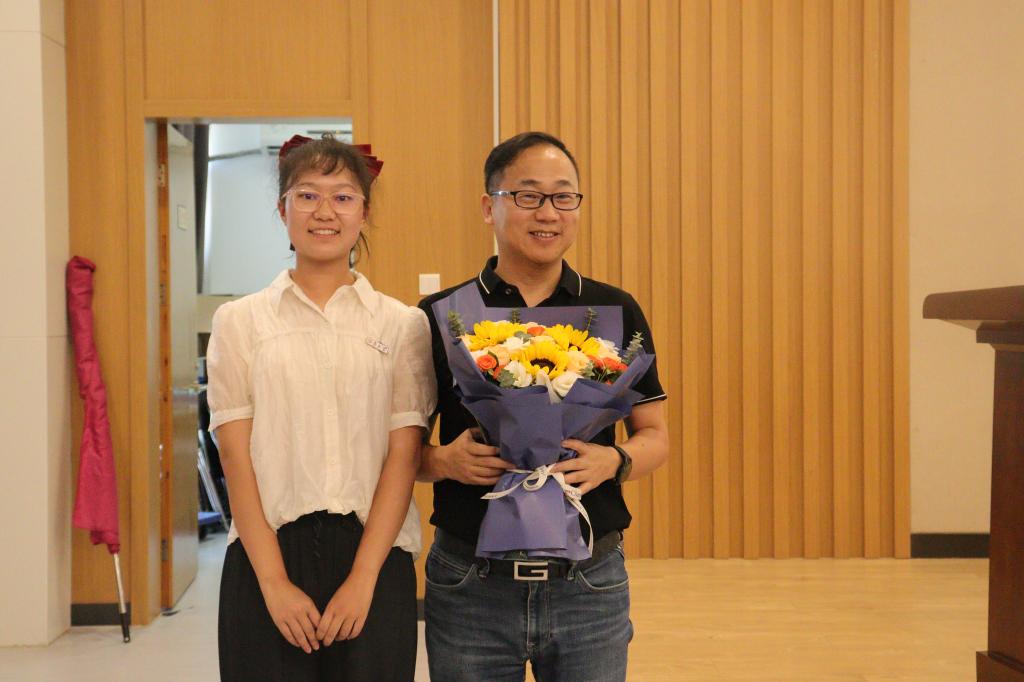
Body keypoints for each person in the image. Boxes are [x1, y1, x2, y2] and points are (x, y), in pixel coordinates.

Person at [418, 131, 671, 681]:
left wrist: (614, 461)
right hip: (470, 584)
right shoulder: (442, 314)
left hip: (589, 583)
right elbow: (402, 452)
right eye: (528, 195)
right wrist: (443, 461)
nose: (548, 213)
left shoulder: (614, 309)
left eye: (563, 196)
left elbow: (655, 436)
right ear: (489, 206)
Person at [208, 135, 435, 681]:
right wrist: (273, 584)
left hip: (374, 554)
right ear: (282, 208)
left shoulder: (402, 324)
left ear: (364, 212)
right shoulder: (239, 321)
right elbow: (235, 458)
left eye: (343, 197)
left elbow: (404, 457)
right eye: (307, 195)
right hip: (266, 552)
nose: (325, 212)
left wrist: (363, 579)